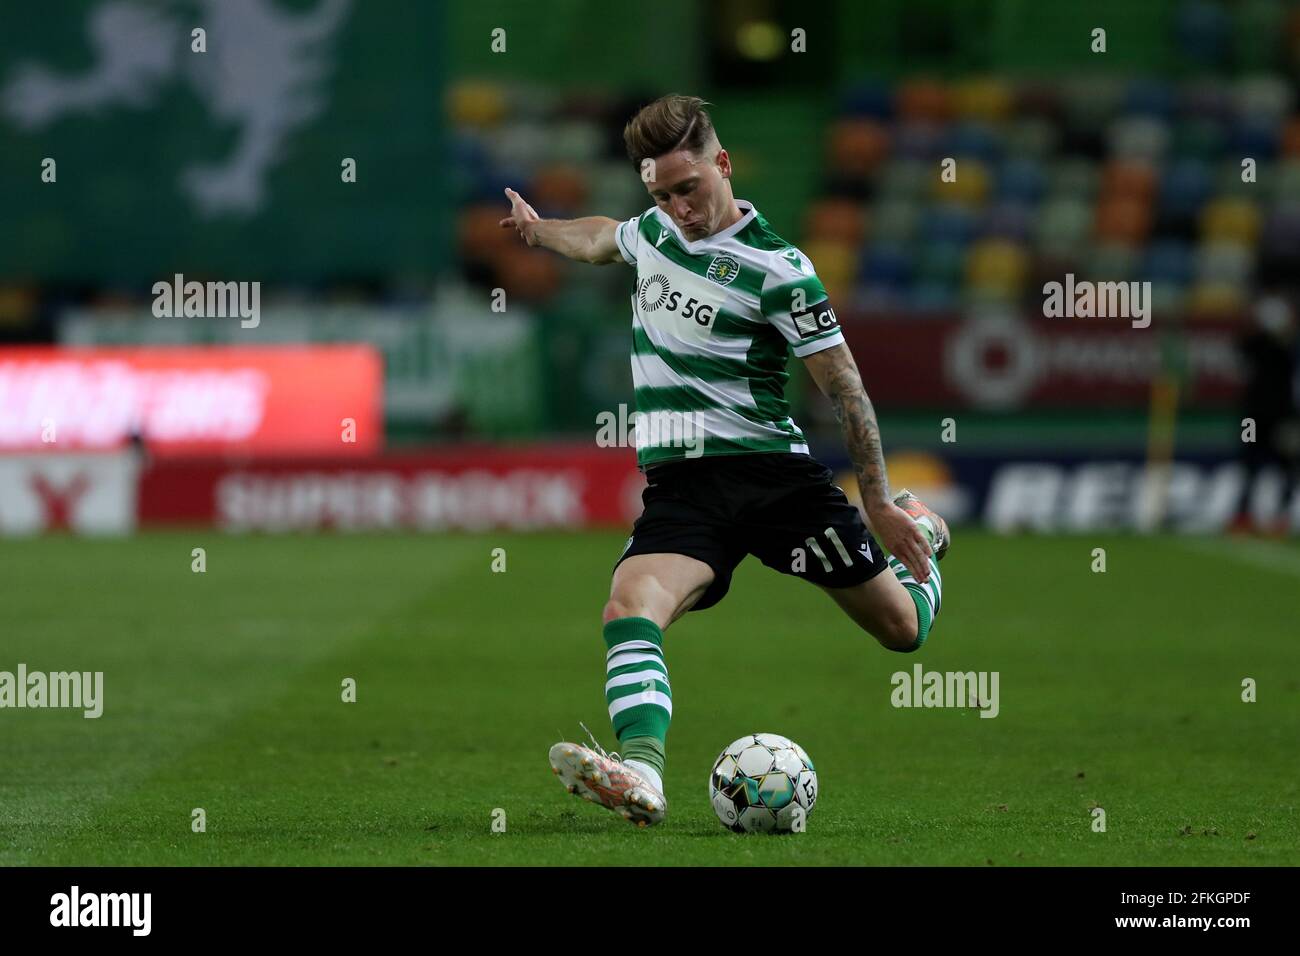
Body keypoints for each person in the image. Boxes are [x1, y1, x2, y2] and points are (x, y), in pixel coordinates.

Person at [500, 94, 950, 827]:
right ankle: (642, 773)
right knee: (627, 605)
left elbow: (847, 390)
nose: (678, 207)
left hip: (775, 480)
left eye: (690, 187)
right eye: (661, 194)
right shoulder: (652, 233)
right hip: (684, 488)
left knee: (903, 632)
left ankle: (924, 535)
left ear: (723, 164)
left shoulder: (780, 268)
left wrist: (879, 504)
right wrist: (539, 229)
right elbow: (599, 238)